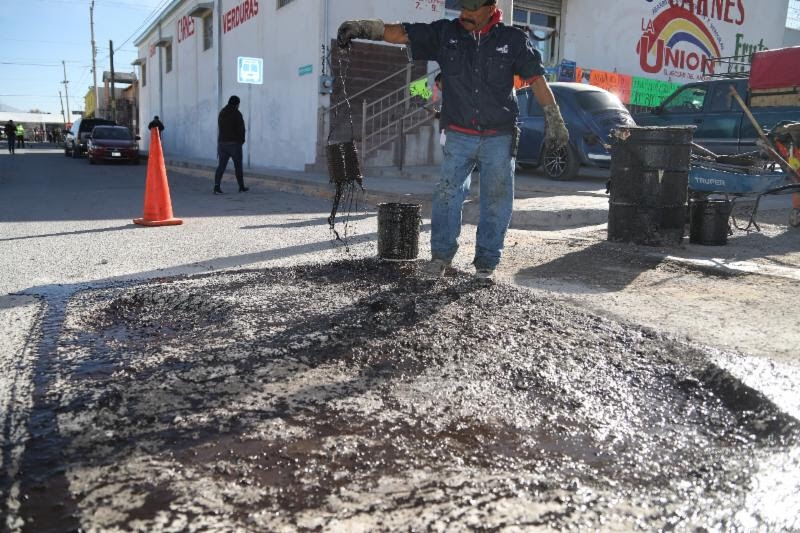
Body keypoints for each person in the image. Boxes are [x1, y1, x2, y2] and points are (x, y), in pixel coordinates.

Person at [337, 0, 569, 281]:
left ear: (490, 7)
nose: (465, 15)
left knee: (496, 201)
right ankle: (440, 258)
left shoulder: (513, 40)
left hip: (499, 137)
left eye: (472, 9)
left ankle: (486, 263)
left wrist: (555, 120)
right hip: (459, 135)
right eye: (462, 8)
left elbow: (537, 81)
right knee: (447, 195)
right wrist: (362, 28)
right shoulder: (445, 33)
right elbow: (401, 33)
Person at [213, 95, 248, 194]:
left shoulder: (222, 112)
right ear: (237, 104)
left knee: (221, 166)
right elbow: (241, 130)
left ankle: (216, 186)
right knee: (238, 166)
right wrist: (241, 141)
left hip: (222, 144)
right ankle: (241, 187)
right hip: (234, 144)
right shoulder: (237, 114)